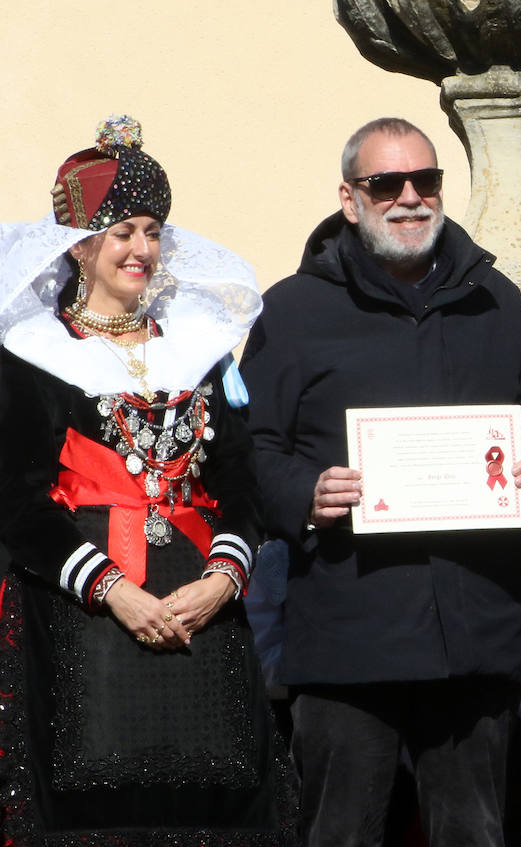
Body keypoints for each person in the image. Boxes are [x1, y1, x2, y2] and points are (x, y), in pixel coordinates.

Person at [239, 116, 521, 847]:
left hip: (475, 632)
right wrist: (306, 493)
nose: (411, 198)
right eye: (388, 184)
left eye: (428, 181)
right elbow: (252, 450)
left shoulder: (494, 300)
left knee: (474, 834)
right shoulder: (292, 310)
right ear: (350, 199)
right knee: (341, 833)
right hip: (352, 635)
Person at [0, 116, 293, 842]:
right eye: (123, 230)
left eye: (152, 230)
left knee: (214, 793)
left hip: (201, 608)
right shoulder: (33, 351)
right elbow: (17, 502)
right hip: (88, 616)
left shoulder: (196, 347)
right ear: (82, 243)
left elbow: (240, 480)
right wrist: (115, 591)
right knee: (98, 798)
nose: (142, 248)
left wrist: (225, 577)